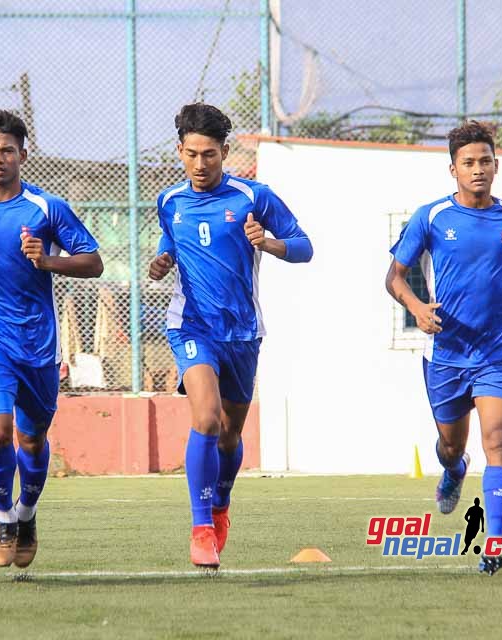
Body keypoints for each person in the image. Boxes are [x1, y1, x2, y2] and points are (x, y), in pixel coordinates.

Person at [148, 103, 313, 568]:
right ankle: (201, 527)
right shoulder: (169, 201)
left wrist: (269, 242)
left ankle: (220, 503)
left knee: (230, 434)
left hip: (241, 332)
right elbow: (169, 244)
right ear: (181, 151)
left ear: (224, 151)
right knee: (206, 417)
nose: (201, 165)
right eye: (192, 154)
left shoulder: (253, 196)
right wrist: (161, 262)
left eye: (210, 155)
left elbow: (304, 247)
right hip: (190, 325)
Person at [0, 110, 103, 569]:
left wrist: (48, 262)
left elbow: (93, 262)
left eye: (7, 150)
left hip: (37, 341)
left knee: (32, 441)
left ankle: (27, 515)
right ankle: (3, 519)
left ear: (22, 155)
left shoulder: (46, 208)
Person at [385, 120, 502, 576]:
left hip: (496, 353)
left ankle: (494, 543)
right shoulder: (430, 217)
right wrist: (416, 307)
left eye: (485, 161)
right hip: (447, 354)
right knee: (452, 446)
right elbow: (393, 278)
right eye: (468, 163)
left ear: (496, 164)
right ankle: (453, 470)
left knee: (499, 441)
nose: (478, 169)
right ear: (452, 169)